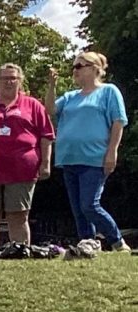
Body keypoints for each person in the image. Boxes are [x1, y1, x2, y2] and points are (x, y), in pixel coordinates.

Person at [45, 52, 129, 252]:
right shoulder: (70, 96)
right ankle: (88, 244)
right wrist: (52, 86)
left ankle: (118, 242)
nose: (74, 71)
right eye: (73, 67)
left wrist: (112, 152)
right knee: (78, 209)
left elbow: (118, 122)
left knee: (89, 205)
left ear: (94, 68)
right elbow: (49, 111)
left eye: (79, 66)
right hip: (69, 158)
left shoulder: (109, 91)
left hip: (94, 158)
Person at [0, 64, 54, 247]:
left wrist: (46, 163)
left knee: (18, 215)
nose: (9, 82)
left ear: (20, 81)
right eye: (5, 78)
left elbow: (47, 135)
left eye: (13, 78)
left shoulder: (33, 105)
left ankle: (20, 252)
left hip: (22, 169)